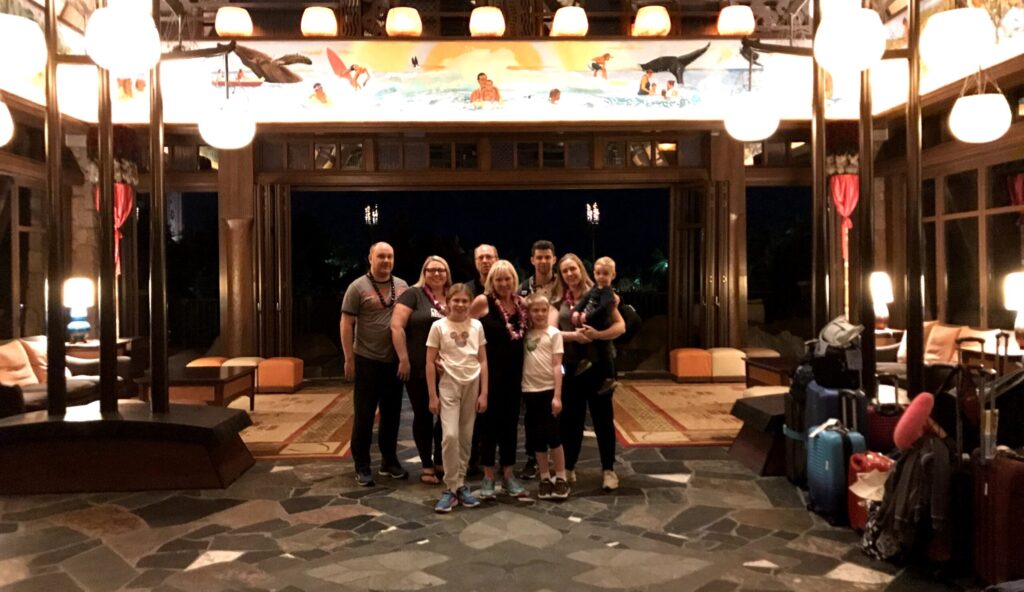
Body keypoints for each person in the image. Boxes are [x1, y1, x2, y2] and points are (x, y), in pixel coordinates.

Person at [554, 253, 626, 491]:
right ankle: (569, 467)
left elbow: (620, 326)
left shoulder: (601, 294)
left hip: (598, 365)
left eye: (573, 269)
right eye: (565, 271)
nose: (570, 274)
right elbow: (550, 332)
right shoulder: (559, 299)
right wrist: (574, 336)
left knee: (602, 418)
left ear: (581, 270)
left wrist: (597, 335)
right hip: (572, 366)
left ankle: (608, 470)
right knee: (571, 419)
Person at [340, 242, 410, 487]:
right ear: (370, 257)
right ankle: (362, 464)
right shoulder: (357, 287)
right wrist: (349, 358)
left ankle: (389, 461)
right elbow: (346, 323)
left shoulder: (402, 286)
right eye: (381, 256)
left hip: (394, 362)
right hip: (367, 360)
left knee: (392, 415)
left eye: (390, 256)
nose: (386, 260)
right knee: (365, 415)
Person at [426, 283, 488, 512]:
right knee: (449, 436)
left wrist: (484, 392)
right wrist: (432, 395)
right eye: (456, 300)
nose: (460, 305)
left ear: (470, 302)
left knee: (465, 437)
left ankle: (459, 485)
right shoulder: (438, 327)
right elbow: (429, 362)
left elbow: (483, 360)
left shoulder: (477, 326)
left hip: (472, 383)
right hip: (449, 384)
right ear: (448, 302)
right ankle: (450, 486)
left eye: (464, 301)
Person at [470, 260, 529, 499]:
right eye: (498, 279)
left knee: (510, 426)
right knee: (488, 427)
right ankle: (488, 476)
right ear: (491, 281)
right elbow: (465, 329)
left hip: (514, 375)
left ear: (514, 280)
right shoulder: (483, 302)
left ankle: (508, 474)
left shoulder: (520, 304)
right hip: (488, 375)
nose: (503, 283)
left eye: (507, 279)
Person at [391, 256, 450, 485]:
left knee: (446, 416)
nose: (436, 274)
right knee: (424, 414)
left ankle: (439, 460)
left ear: (447, 273)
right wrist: (403, 358)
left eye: (441, 270)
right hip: (418, 367)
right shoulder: (413, 294)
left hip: (447, 369)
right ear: (424, 272)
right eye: (431, 270)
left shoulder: (452, 296)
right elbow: (396, 326)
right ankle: (426, 465)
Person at [517, 239, 561, 479]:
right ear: (532, 260)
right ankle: (533, 459)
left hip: (561, 353)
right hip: (532, 358)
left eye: (548, 257)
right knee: (532, 417)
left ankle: (562, 463)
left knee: (555, 414)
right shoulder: (523, 288)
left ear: (554, 259)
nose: (543, 261)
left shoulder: (562, 285)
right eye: (539, 257)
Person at [521, 294, 569, 500]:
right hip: (529, 391)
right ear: (528, 313)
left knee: (554, 436)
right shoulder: (523, 334)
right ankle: (544, 477)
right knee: (537, 437)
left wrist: (557, 395)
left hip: (549, 390)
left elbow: (557, 365)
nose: (540, 314)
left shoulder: (554, 334)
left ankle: (561, 476)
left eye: (543, 310)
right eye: (535, 310)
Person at [572, 256, 620, 396]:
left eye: (605, 274)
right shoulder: (595, 288)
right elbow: (585, 299)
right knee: (581, 340)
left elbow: (604, 307)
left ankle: (610, 378)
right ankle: (584, 360)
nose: (601, 277)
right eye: (598, 273)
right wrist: (576, 311)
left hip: (602, 325)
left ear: (613, 275)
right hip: (589, 323)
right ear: (593, 273)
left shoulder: (608, 293)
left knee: (605, 353)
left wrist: (587, 316)